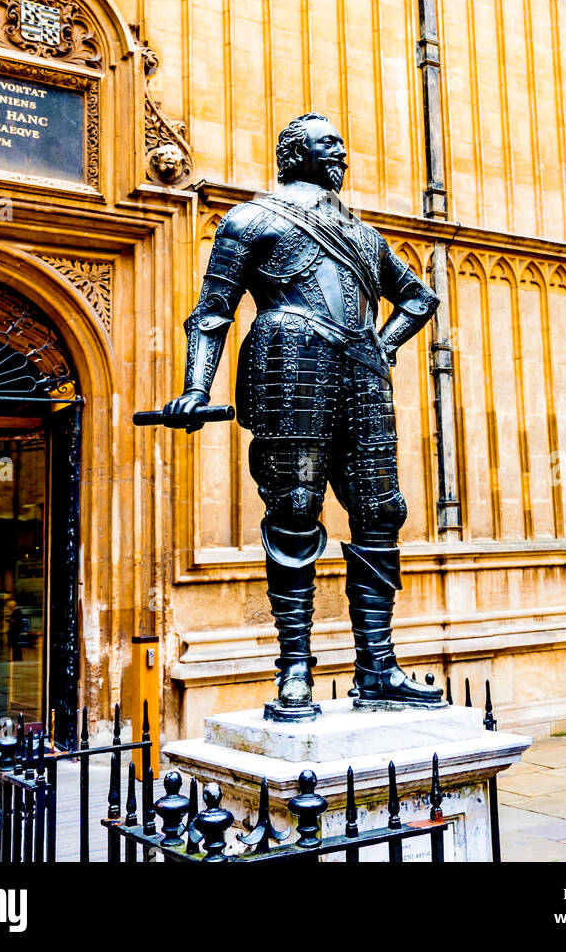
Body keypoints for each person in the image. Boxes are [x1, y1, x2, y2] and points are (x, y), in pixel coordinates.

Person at [164, 114, 444, 714]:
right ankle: (295, 668)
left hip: (361, 371)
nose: (341, 154)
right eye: (328, 145)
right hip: (290, 362)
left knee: (380, 510)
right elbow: (212, 312)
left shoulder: (365, 238)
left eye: (343, 144)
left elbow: (420, 297)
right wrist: (195, 387)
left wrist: (383, 343)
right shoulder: (251, 220)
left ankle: (379, 667)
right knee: (294, 508)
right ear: (295, 154)